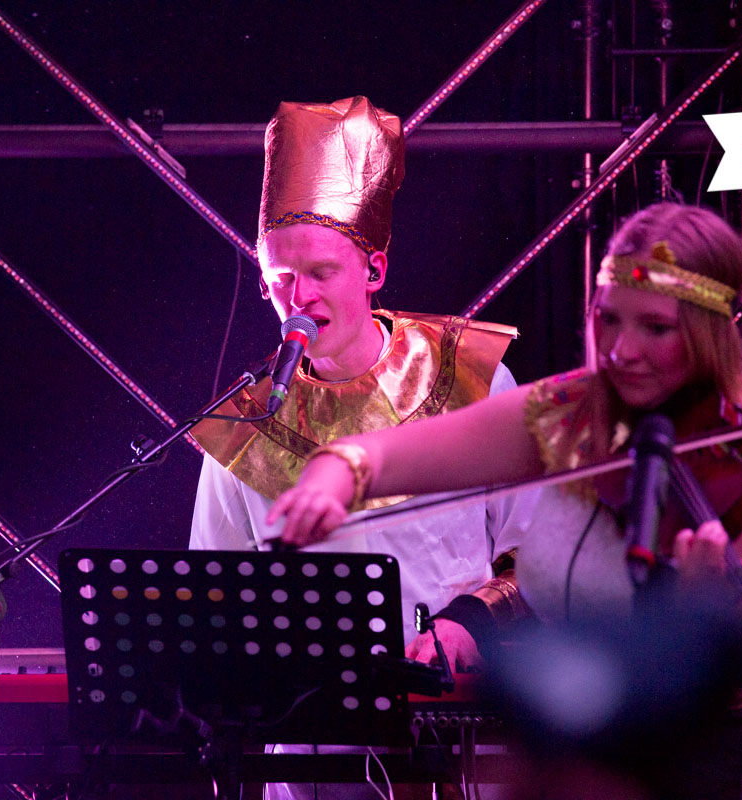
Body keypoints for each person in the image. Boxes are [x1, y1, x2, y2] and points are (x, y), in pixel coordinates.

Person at [269, 202, 742, 798]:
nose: (621, 351)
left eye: (656, 328)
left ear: (708, 332)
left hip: (696, 759)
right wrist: (335, 472)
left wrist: (691, 608)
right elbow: (383, 455)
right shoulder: (572, 411)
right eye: (608, 319)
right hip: (569, 746)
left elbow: (679, 672)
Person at [188, 96, 539, 800]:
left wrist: (468, 624)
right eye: (281, 279)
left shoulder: (469, 378)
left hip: (459, 737)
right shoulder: (247, 423)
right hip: (312, 758)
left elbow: (547, 554)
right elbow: (214, 590)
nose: (300, 298)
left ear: (373, 270)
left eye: (322, 273)